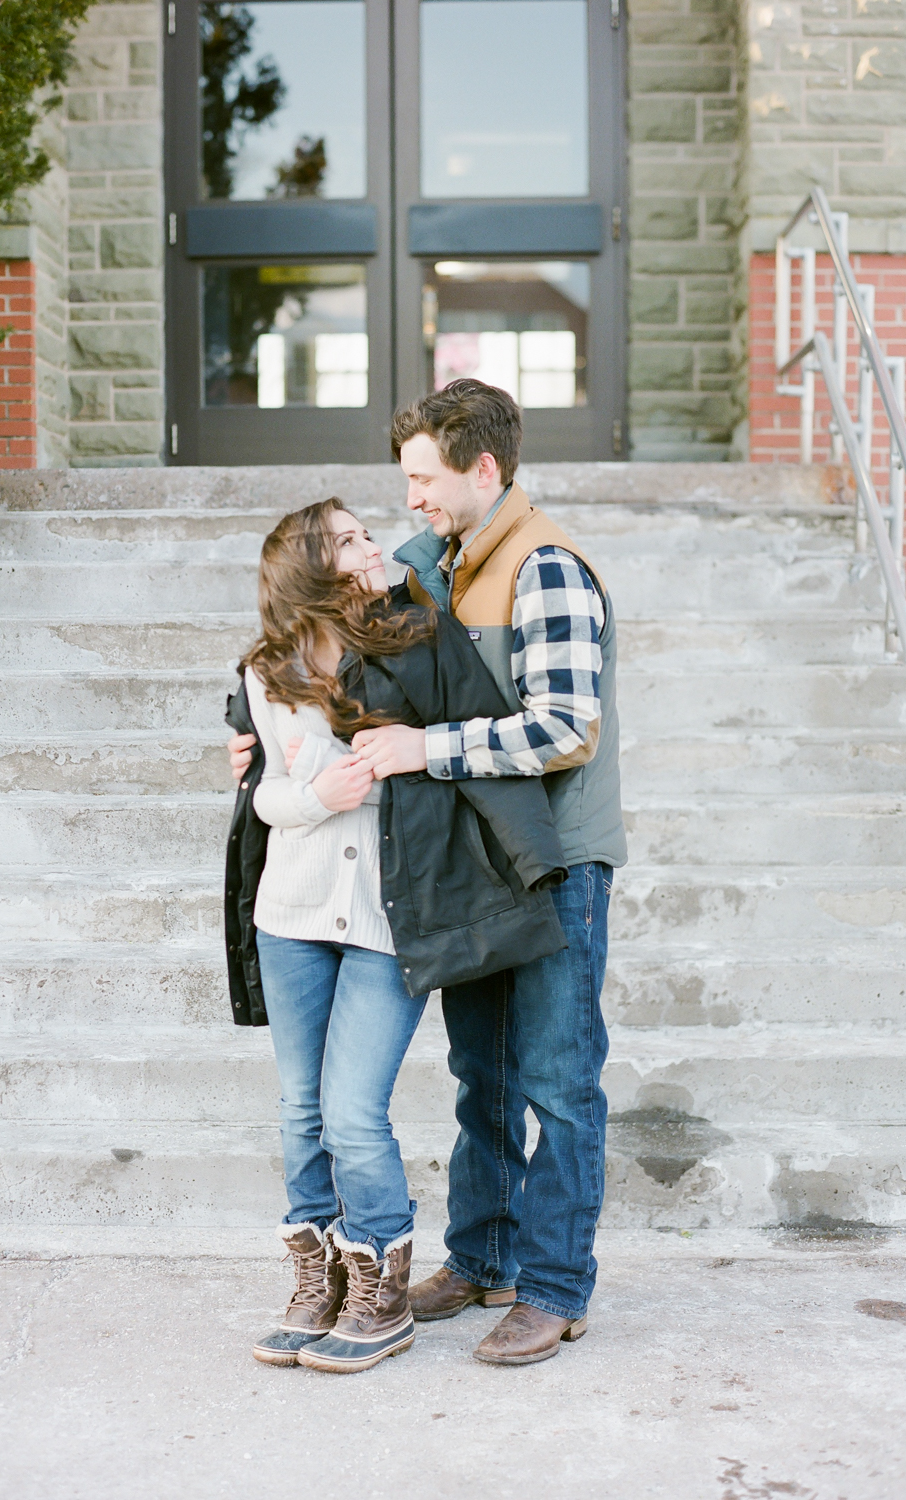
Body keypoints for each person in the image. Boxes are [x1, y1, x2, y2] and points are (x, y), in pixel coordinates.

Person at [231, 381, 626, 1366]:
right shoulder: (434, 559)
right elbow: (308, 623)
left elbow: (564, 729)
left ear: (481, 471)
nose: (407, 497)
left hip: (554, 859)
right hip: (470, 863)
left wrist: (427, 750)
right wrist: (244, 728)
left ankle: (553, 1286)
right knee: (478, 1071)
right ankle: (483, 1254)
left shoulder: (545, 569)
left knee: (556, 1079)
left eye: (422, 477)